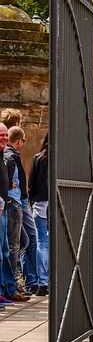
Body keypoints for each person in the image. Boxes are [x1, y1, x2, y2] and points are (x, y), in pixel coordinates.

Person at [3, 126, 35, 294]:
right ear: (19, 141)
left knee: (22, 241)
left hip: (15, 202)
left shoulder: (11, 155)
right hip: (12, 203)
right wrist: (9, 184)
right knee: (14, 244)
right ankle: (12, 284)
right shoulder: (10, 156)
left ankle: (12, 279)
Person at [0, 124, 20, 303]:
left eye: (6, 135)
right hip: (3, 206)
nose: (4, 138)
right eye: (1, 135)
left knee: (5, 250)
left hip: (4, 206)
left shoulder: (3, 154)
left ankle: (8, 289)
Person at [27, 134, 48, 297]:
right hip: (57, 203)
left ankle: (43, 281)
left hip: (40, 203)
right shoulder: (61, 159)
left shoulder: (38, 158)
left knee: (42, 242)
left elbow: (31, 181)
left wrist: (31, 200)